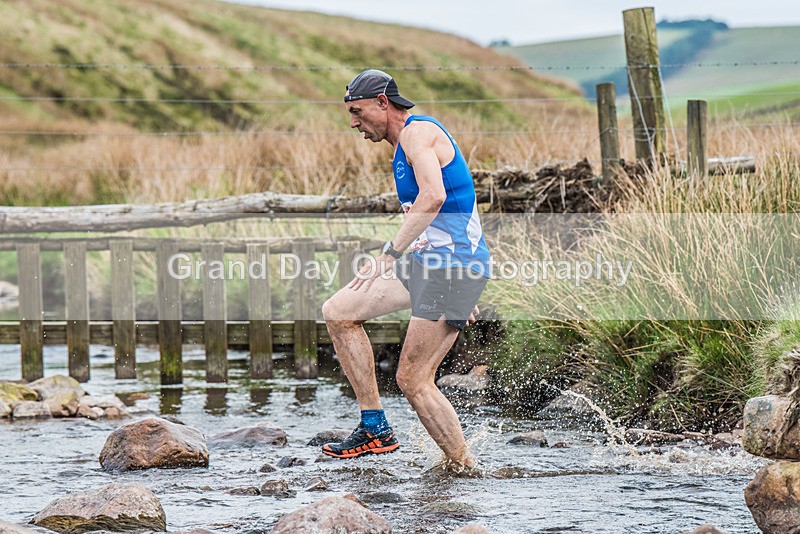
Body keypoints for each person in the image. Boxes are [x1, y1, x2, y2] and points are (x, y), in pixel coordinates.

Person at [320, 69, 491, 467]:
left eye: (358, 112)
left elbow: (434, 196)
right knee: (339, 313)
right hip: (433, 264)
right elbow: (441, 215)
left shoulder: (419, 133)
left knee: (413, 380)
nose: (353, 123)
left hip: (453, 267)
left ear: (383, 102)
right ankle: (374, 426)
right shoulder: (401, 148)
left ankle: (464, 468)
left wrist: (389, 254)